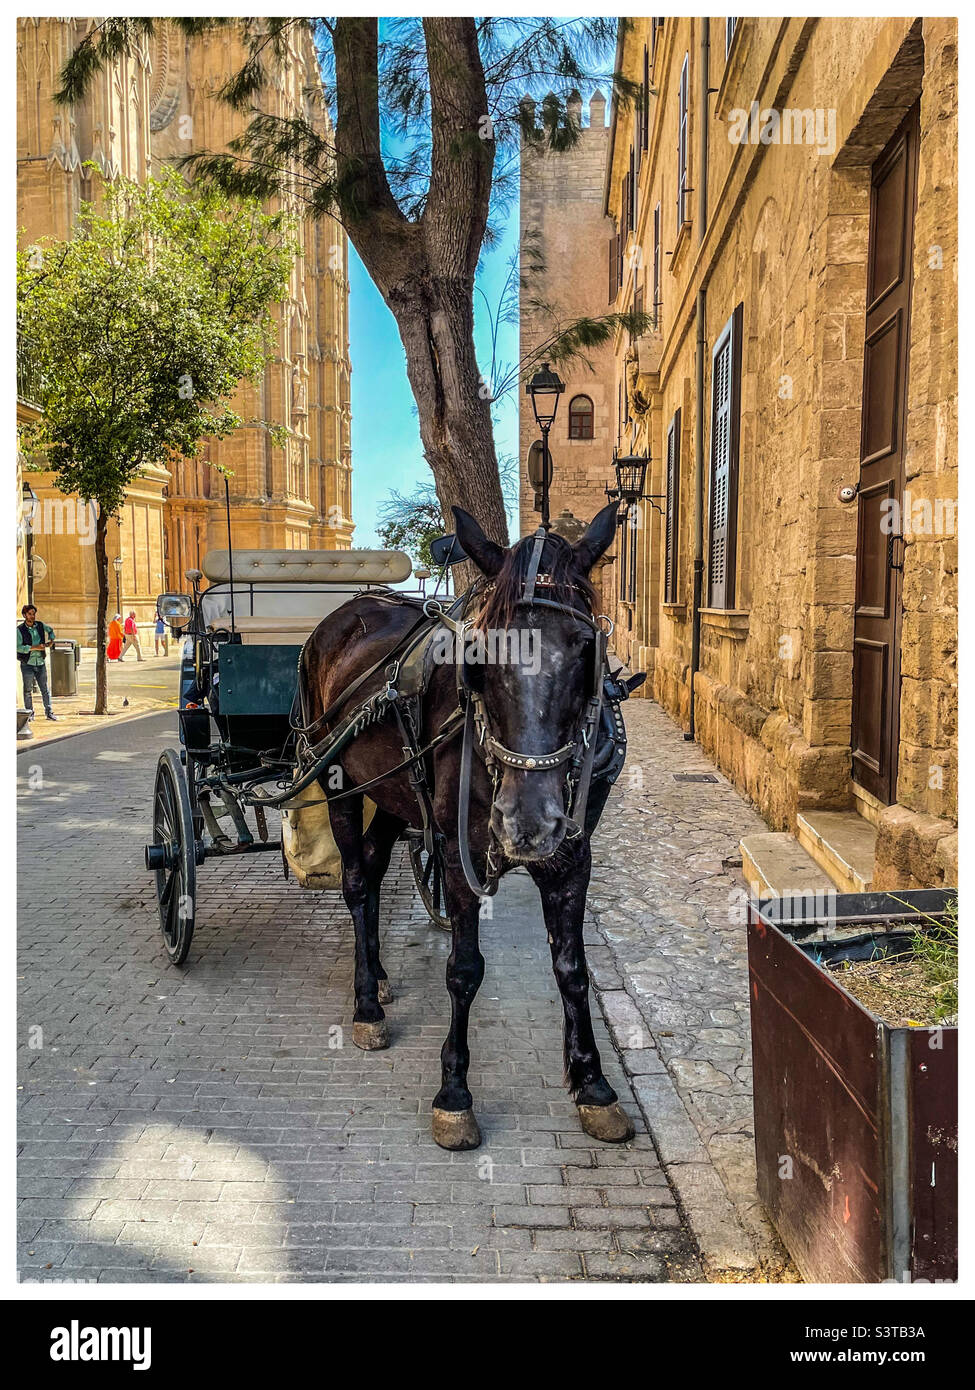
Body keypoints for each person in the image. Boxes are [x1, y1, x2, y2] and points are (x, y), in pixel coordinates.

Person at [17, 603, 58, 720]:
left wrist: (51, 640)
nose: (32, 616)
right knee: (27, 691)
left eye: (33, 614)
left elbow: (50, 630)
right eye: (30, 614)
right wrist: (34, 647)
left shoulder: (40, 625)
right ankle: (30, 714)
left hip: (40, 663)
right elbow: (18, 647)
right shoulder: (19, 630)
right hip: (27, 664)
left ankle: (49, 713)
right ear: (24, 615)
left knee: (45, 689)